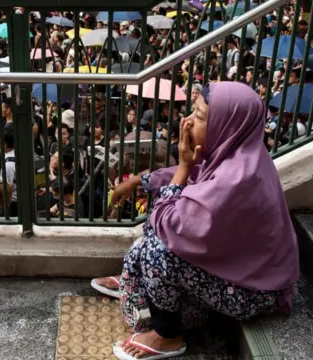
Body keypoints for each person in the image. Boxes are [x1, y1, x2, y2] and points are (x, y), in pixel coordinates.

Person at [96, 82, 298, 359]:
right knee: (149, 244)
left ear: (227, 125)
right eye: (192, 111)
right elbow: (198, 176)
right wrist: (139, 181)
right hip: (241, 269)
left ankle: (167, 335)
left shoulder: (237, 179)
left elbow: (166, 222)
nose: (187, 122)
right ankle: (139, 284)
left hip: (252, 293)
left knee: (158, 251)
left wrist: (183, 166)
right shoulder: (241, 154)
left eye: (200, 117)